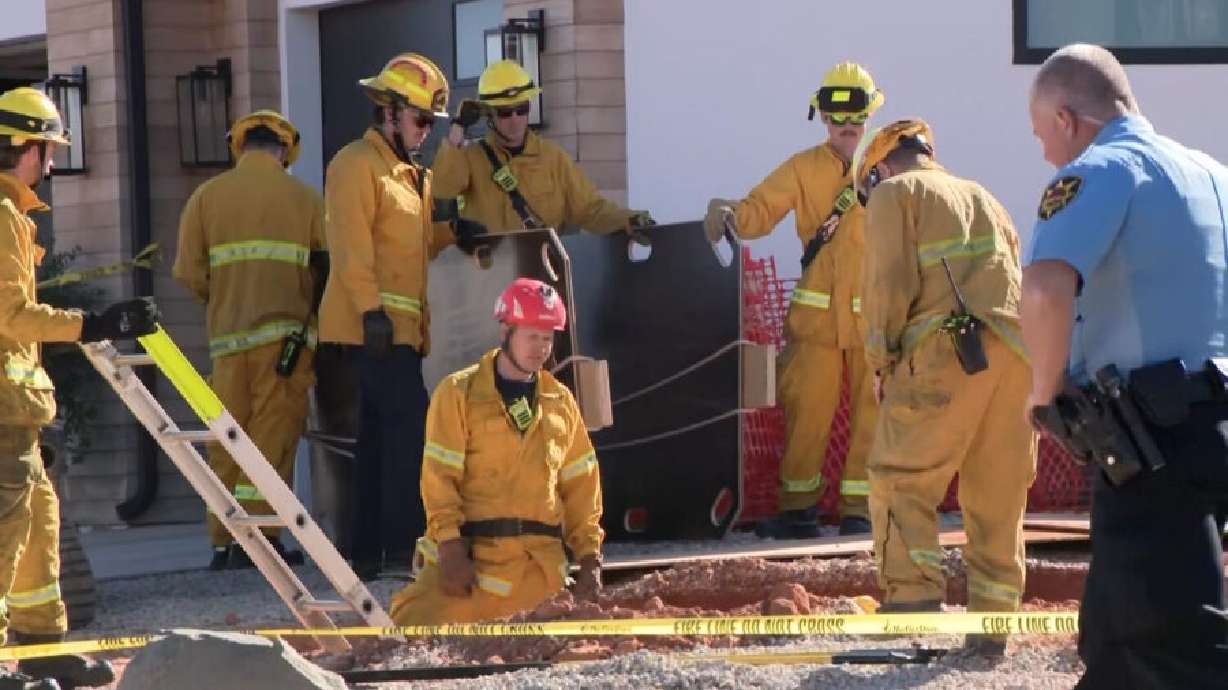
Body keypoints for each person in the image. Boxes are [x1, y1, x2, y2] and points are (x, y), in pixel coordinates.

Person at [1022, 43, 1228, 688]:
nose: (1047, 154)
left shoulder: (1102, 169)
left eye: (1041, 136)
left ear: (1066, 117)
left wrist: (1042, 394)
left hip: (1150, 438)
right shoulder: (1209, 173)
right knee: (1114, 635)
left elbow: (1046, 286)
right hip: (1207, 423)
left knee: (1170, 642)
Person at [0, 86, 160, 689]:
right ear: (25, 147)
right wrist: (96, 323)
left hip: (15, 410)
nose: (50, 164)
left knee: (39, 524)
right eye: (47, 150)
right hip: (1, 408)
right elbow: (12, 315)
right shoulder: (1, 215)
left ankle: (43, 647)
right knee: (6, 529)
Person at [857, 119, 1034, 656]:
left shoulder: (895, 193)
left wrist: (881, 359)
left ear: (882, 166)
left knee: (901, 478)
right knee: (997, 496)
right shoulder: (986, 197)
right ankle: (992, 628)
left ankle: (911, 608)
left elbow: (887, 283)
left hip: (945, 351)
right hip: (1017, 360)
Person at [703, 62, 883, 537]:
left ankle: (860, 512)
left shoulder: (888, 166)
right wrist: (732, 216)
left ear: (869, 114)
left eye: (855, 113)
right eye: (835, 114)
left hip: (876, 322)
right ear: (822, 117)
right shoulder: (803, 169)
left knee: (875, 417)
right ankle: (799, 509)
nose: (846, 125)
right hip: (817, 323)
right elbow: (762, 210)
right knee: (807, 416)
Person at [389, 277, 603, 624]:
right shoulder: (458, 393)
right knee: (410, 626)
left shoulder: (560, 402)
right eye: (532, 336)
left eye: (547, 338)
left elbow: (582, 485)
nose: (541, 348)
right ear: (505, 332)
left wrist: (590, 557)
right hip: (469, 568)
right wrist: (449, 546)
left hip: (536, 574)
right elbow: (439, 478)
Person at [319, 52, 459, 580]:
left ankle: (366, 556)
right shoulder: (355, 165)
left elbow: (415, 248)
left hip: (399, 334)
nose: (426, 132)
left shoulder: (409, 177)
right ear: (391, 112)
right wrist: (372, 313)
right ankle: (403, 550)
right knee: (410, 436)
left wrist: (452, 232)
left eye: (430, 124)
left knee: (377, 443)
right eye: (422, 120)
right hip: (367, 332)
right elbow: (351, 248)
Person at [174, 110, 325, 570]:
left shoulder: (205, 198)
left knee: (225, 439)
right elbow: (326, 267)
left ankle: (223, 540)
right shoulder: (304, 199)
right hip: (285, 343)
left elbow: (188, 274)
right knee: (270, 439)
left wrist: (222, 299)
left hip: (226, 343)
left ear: (241, 147)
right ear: (283, 151)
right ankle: (261, 542)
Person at [433, 59, 654, 236]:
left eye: (522, 108)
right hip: (489, 279)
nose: (515, 119)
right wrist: (457, 129)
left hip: (541, 279)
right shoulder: (470, 158)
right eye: (504, 112)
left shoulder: (552, 158)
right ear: (489, 115)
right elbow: (443, 189)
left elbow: (590, 210)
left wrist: (628, 220)